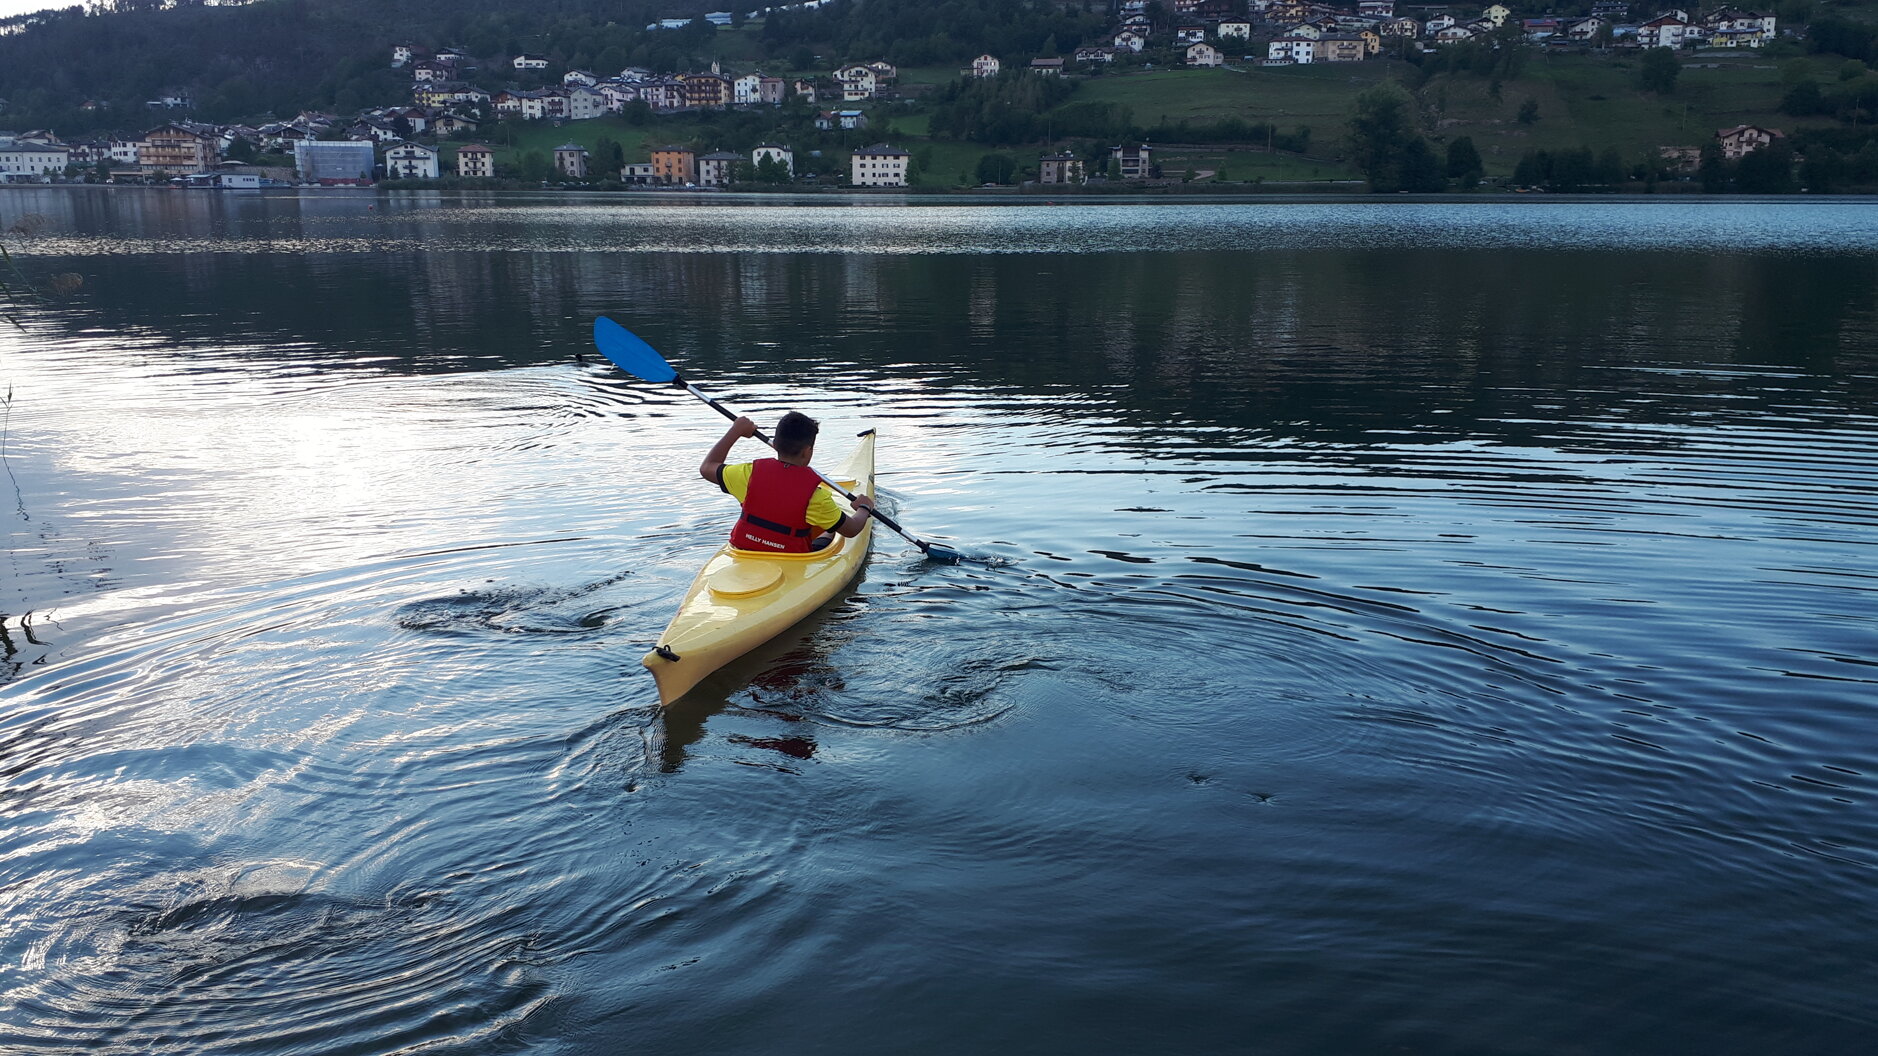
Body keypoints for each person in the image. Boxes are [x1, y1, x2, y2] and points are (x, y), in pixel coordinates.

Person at [700, 411, 874, 553]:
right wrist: (864, 508)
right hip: (792, 559)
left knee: (828, 527)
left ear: (775, 445)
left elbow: (707, 467)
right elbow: (851, 530)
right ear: (807, 451)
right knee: (831, 529)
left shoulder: (748, 474)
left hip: (745, 549)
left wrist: (735, 431)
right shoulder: (817, 497)